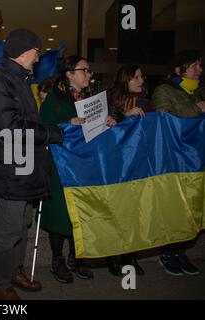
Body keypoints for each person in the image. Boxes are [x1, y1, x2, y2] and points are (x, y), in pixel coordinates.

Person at [0, 29, 63, 300]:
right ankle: (0, 282)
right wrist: (50, 133)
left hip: (23, 166)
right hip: (10, 168)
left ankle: (14, 270)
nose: (38, 59)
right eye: (37, 52)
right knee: (9, 229)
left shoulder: (16, 79)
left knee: (22, 223)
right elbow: (12, 128)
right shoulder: (1, 79)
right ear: (24, 52)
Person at [39, 56, 116, 284]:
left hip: (83, 165)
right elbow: (42, 128)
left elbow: (97, 127)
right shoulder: (54, 99)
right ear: (69, 73)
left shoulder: (91, 99)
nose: (89, 75)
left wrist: (109, 120)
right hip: (60, 165)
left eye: (89, 70)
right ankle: (57, 259)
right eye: (84, 70)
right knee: (60, 212)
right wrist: (66, 125)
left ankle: (77, 256)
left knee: (79, 211)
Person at [152, 49, 204, 276]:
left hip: (195, 161)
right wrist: (197, 109)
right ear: (179, 69)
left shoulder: (197, 92)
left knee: (190, 207)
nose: (199, 69)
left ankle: (181, 252)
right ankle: (169, 253)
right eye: (194, 65)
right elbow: (164, 117)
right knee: (174, 207)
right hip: (173, 160)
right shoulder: (164, 90)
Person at [105, 64, 149, 276]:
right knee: (118, 210)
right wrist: (125, 117)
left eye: (142, 77)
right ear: (126, 80)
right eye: (137, 77)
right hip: (117, 164)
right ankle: (114, 258)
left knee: (135, 211)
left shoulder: (146, 101)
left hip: (138, 163)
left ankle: (130, 257)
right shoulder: (111, 100)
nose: (141, 81)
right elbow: (107, 131)